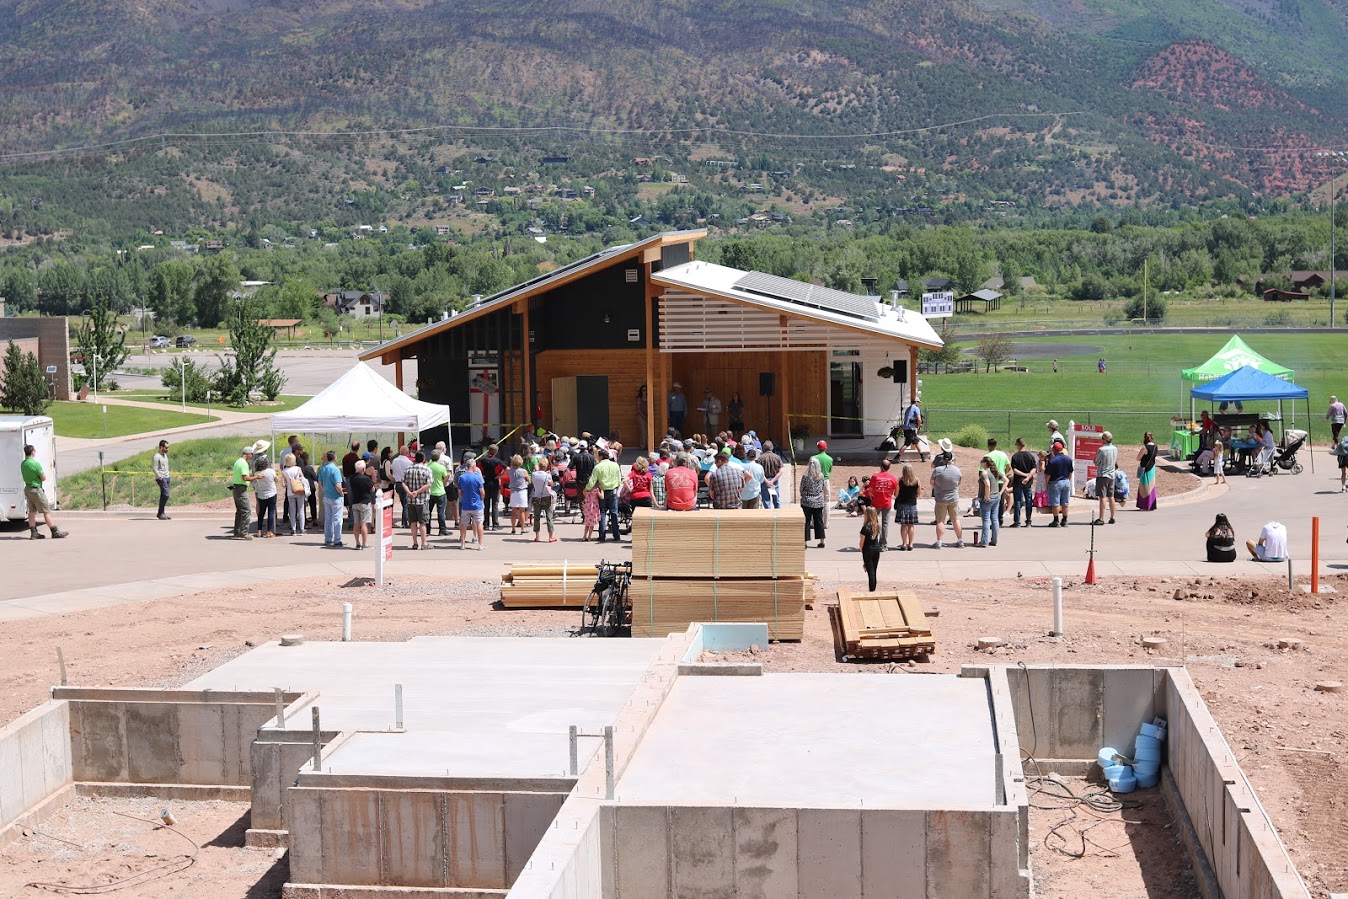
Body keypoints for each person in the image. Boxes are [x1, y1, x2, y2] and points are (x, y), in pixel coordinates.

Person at [21, 444, 67, 540]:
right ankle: (54, 531)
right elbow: (43, 478)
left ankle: (34, 533)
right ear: (32, 452)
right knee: (46, 511)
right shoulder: (35, 464)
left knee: (32, 511)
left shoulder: (23, 463)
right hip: (36, 490)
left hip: (28, 489)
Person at [930, 446, 964, 549]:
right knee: (955, 519)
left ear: (943, 459)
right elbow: (958, 483)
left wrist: (938, 487)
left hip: (941, 498)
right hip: (953, 498)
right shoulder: (957, 470)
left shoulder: (937, 470)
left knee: (940, 520)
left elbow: (932, 483)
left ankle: (939, 542)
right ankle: (960, 540)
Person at [588, 448, 623, 542]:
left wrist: (587, 489)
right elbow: (619, 478)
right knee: (614, 513)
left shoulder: (598, 467)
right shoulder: (615, 465)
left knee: (602, 513)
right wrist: (617, 487)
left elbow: (592, 480)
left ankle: (602, 535)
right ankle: (616, 535)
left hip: (602, 491)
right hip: (613, 490)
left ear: (601, 456)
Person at [403, 451, 432, 550]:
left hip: (411, 500)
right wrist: (418, 492)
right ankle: (424, 543)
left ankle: (415, 543)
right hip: (422, 499)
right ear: (423, 459)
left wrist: (410, 492)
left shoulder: (408, 469)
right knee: (423, 522)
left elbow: (404, 483)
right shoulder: (427, 469)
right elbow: (428, 484)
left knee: (413, 522)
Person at [865, 459, 898, 548]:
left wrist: (872, 496)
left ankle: (873, 541)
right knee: (885, 524)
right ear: (889, 467)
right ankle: (883, 544)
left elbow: (870, 489)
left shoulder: (875, 476)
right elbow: (896, 492)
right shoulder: (893, 477)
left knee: (873, 522)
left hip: (876, 502)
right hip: (887, 502)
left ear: (881, 466)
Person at [457, 457, 486, 550]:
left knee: (463, 524)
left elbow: (460, 492)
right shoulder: (477, 477)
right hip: (477, 505)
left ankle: (462, 544)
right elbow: (482, 492)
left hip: (465, 505)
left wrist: (463, 498)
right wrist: (481, 499)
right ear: (473, 466)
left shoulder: (461, 477)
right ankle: (480, 545)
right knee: (479, 523)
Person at [231, 445, 259, 540]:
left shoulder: (238, 462)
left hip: (236, 488)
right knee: (246, 510)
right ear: (248, 454)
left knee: (240, 511)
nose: (252, 456)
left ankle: (237, 531)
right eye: (251, 454)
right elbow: (245, 478)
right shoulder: (243, 463)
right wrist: (256, 477)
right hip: (241, 488)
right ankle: (243, 532)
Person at [318, 450, 345, 547]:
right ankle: (337, 539)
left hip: (327, 496)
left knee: (328, 519)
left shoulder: (322, 468)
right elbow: (338, 484)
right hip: (336, 496)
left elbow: (320, 483)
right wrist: (341, 493)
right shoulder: (335, 469)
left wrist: (325, 490)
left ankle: (328, 538)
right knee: (337, 519)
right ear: (334, 458)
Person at [799, 457, 827, 547]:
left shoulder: (806, 476)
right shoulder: (821, 476)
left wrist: (804, 495)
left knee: (806, 521)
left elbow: (801, 488)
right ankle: (822, 541)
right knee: (819, 521)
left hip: (807, 501)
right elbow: (823, 487)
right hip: (818, 501)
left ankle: (805, 542)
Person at [1009, 438, 1037, 528]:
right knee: (1028, 501)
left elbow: (1014, 469)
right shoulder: (1030, 456)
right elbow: (1034, 468)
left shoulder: (1015, 456)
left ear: (1018, 445)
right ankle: (1028, 521)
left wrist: (1023, 475)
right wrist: (1028, 477)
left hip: (1018, 481)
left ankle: (1017, 521)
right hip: (1028, 482)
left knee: (1017, 500)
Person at [1045, 440, 1073, 528]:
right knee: (1065, 502)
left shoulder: (1052, 461)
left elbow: (1047, 474)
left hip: (1056, 482)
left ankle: (1056, 520)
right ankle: (1065, 520)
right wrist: (1068, 480)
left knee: (1055, 502)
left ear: (1054, 450)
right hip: (1066, 481)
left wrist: (1047, 483)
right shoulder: (1068, 459)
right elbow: (1070, 471)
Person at [976, 456, 1002, 547]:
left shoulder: (985, 472)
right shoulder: (995, 472)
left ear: (985, 463)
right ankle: (994, 540)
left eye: (981, 462)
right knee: (994, 519)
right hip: (996, 497)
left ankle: (984, 541)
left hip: (988, 499)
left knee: (986, 521)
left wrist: (986, 496)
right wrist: (1000, 492)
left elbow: (987, 484)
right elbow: (1006, 480)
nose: (980, 463)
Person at [1093, 431, 1118, 525]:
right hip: (1111, 474)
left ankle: (1101, 518)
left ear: (1104, 440)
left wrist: (1095, 460)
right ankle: (1112, 517)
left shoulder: (1102, 450)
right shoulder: (1115, 449)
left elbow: (1096, 462)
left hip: (1103, 474)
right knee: (1111, 496)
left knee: (1102, 496)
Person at [282, 452, 309, 537]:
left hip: (290, 492)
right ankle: (302, 529)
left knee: (292, 511)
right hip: (299, 491)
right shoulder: (298, 469)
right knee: (301, 510)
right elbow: (303, 478)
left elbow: (283, 484)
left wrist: (288, 484)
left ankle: (293, 529)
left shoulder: (284, 471)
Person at [349, 459, 375, 550]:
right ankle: (365, 543)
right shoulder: (366, 479)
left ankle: (357, 543)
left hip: (355, 502)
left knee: (356, 523)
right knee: (364, 524)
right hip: (365, 502)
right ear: (363, 469)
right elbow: (372, 489)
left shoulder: (352, 478)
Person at [895, 463, 920, 551]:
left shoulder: (900, 481)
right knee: (911, 525)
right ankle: (911, 544)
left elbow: (896, 494)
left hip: (902, 504)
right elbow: (918, 493)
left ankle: (904, 544)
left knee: (903, 525)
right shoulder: (916, 480)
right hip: (912, 505)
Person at [531, 455, 557, 542]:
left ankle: (537, 536)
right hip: (546, 496)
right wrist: (549, 475)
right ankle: (550, 536)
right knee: (549, 516)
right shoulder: (547, 475)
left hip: (536, 496)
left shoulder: (534, 474)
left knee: (537, 517)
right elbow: (552, 484)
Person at [479, 445, 504, 530]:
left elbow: (477, 468)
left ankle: (485, 524)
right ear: (496, 452)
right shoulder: (497, 461)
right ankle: (495, 525)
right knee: (495, 504)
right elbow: (507, 468)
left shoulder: (482, 460)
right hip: (494, 482)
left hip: (485, 482)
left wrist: (481, 475)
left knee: (486, 504)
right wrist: (500, 476)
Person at [859, 506, 882, 592]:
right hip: (876, 549)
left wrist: (862, 551)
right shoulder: (877, 525)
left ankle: (872, 590)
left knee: (870, 572)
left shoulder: (865, 528)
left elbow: (861, 542)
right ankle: (873, 588)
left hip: (868, 550)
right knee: (874, 570)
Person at [427, 449, 449, 537]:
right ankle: (442, 529)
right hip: (440, 491)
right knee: (441, 512)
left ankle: (427, 529)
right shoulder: (441, 467)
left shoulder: (427, 466)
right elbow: (446, 477)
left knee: (428, 512)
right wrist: (442, 484)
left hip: (429, 492)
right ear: (439, 457)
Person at [390, 444, 412, 528]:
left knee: (403, 503)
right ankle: (404, 522)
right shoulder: (409, 462)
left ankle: (404, 521)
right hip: (405, 483)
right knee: (406, 504)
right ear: (407, 452)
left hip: (397, 483)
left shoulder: (394, 461)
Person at [508, 454, 530, 534]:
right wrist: (527, 482)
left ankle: (513, 529)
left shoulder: (510, 470)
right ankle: (522, 529)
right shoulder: (523, 471)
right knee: (522, 511)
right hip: (522, 491)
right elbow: (528, 480)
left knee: (513, 511)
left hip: (513, 492)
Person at [1136, 432, 1159, 511]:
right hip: (1152, 468)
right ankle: (1151, 504)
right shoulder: (1156, 446)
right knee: (1151, 486)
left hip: (1145, 469)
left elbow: (1138, 458)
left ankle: (1145, 505)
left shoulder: (1145, 448)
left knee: (1144, 487)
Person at [341, 440, 361, 527]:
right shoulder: (357, 459)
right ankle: (354, 521)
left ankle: (351, 521)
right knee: (356, 501)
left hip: (347, 480)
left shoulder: (345, 457)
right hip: (355, 480)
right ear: (358, 449)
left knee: (350, 501)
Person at [759, 441, 783, 508]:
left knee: (766, 500)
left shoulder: (760, 458)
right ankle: (778, 515)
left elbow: (760, 472)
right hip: (774, 481)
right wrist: (772, 481)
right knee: (776, 500)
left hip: (764, 481)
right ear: (772, 448)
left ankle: (768, 515)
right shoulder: (777, 457)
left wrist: (767, 481)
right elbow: (780, 471)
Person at [152, 439, 171, 520]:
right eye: (166, 448)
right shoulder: (157, 457)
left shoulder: (164, 455)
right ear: (161, 447)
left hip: (167, 477)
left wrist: (168, 475)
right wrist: (160, 477)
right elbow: (154, 469)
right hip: (161, 478)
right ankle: (161, 513)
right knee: (166, 494)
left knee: (163, 495)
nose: (167, 449)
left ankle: (161, 513)